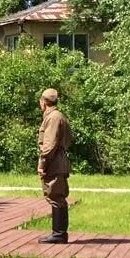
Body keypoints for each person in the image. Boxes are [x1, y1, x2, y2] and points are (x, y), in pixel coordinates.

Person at [37, 88, 73, 244]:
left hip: (54, 163)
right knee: (57, 196)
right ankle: (59, 233)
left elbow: (49, 144)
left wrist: (43, 164)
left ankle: (59, 234)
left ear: (44, 102)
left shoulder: (53, 117)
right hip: (59, 160)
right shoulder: (58, 116)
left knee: (56, 196)